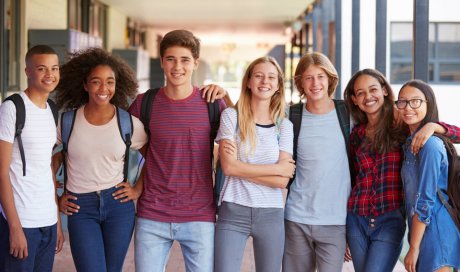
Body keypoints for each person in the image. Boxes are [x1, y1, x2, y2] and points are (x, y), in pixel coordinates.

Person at [128, 29, 227, 272]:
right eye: (170, 59)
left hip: (199, 214)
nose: (177, 66)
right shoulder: (144, 103)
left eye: (184, 60)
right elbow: (121, 140)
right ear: (162, 62)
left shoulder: (212, 103)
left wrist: (227, 95)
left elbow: (243, 129)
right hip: (152, 213)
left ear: (195, 63)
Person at [343, 68, 460, 272]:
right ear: (354, 99)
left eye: (373, 89)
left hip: (390, 218)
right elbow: (352, 178)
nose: (368, 96)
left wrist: (432, 126)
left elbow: (457, 134)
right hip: (357, 216)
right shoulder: (356, 134)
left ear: (384, 91)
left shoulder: (402, 125)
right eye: (360, 93)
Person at [53, 47, 148, 271]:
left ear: (117, 84)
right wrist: (56, 199)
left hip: (118, 206)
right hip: (80, 207)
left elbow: (154, 158)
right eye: (96, 82)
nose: (103, 88)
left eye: (110, 82)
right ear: (85, 85)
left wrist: (137, 190)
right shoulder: (67, 122)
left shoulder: (128, 123)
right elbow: (48, 160)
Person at [214, 56, 295, 272]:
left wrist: (240, 167)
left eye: (271, 77)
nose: (264, 81)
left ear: (278, 85)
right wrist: (277, 168)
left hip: (271, 213)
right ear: (248, 81)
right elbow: (228, 167)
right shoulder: (231, 117)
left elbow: (282, 182)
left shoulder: (284, 126)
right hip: (233, 209)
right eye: (258, 76)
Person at [282, 52, 352, 272]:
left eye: (320, 76)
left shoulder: (348, 113)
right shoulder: (291, 115)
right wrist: (223, 95)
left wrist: (434, 127)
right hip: (296, 218)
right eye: (309, 77)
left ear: (330, 78)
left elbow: (394, 116)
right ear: (300, 82)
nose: (315, 83)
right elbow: (250, 112)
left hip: (335, 220)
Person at [0, 45, 64, 271]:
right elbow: (1, 172)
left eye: (54, 68)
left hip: (47, 220)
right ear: (28, 71)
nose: (50, 74)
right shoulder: (12, 108)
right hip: (21, 221)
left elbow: (47, 167)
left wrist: (56, 221)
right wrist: (15, 228)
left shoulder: (52, 110)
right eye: (42, 68)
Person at [397, 79, 460, 272]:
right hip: (421, 232)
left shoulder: (431, 146)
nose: (408, 107)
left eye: (416, 101)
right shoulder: (408, 142)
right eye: (402, 101)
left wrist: (414, 247)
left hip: (437, 232)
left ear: (428, 104)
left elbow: (425, 199)